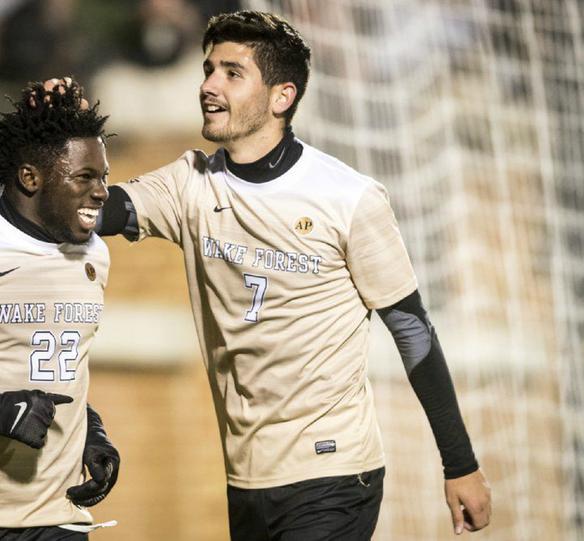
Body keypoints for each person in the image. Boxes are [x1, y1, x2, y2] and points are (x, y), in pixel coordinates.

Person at [94, 9, 490, 540]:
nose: (209, 86)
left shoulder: (348, 198)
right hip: (246, 477)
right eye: (208, 70)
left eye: (232, 73)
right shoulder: (189, 184)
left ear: (282, 97)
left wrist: (459, 463)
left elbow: (413, 330)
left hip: (333, 474)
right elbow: (88, 210)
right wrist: (51, 139)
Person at [0, 78, 120, 540]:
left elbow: (61, 371)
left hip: (57, 520)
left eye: (104, 176)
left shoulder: (93, 255)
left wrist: (92, 432)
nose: (103, 191)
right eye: (85, 177)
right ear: (30, 178)